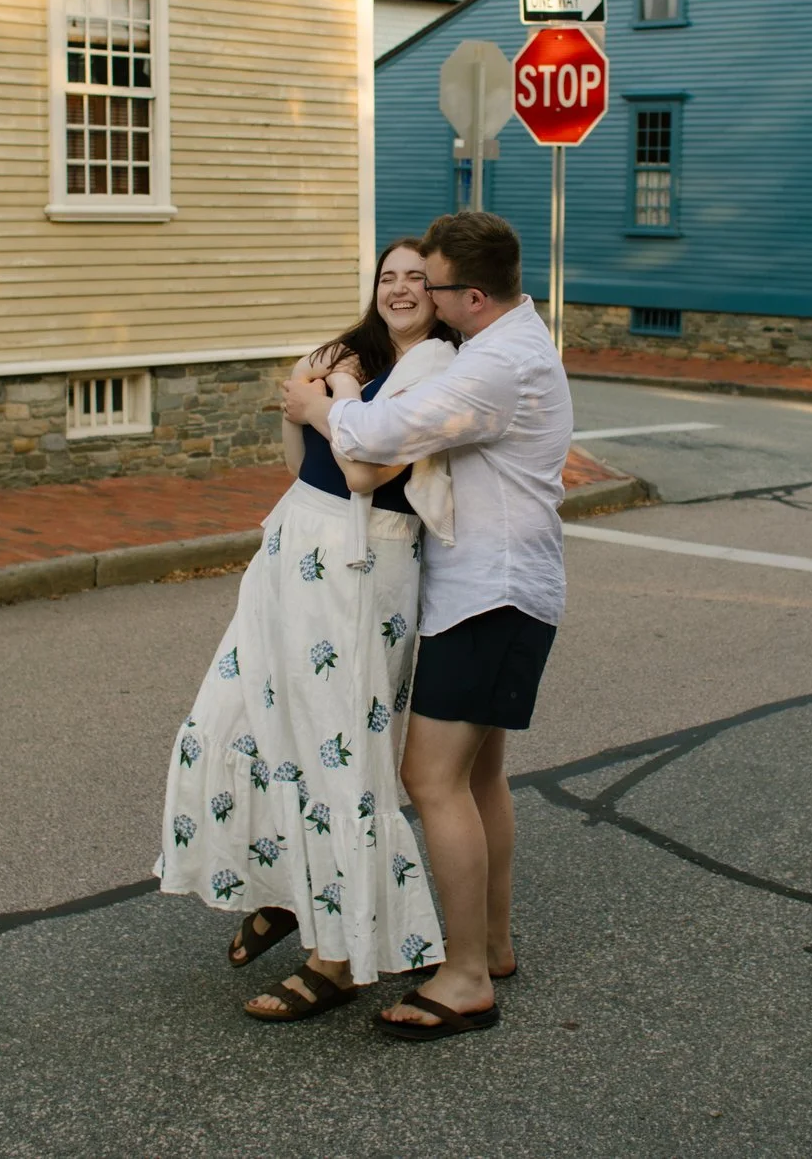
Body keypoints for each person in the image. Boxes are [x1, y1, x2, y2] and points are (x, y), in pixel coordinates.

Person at [279, 210, 571, 1041]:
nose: (422, 298)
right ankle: (494, 943)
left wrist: (322, 396)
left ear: (470, 294)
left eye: (433, 286)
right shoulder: (507, 340)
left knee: (431, 779)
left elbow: (369, 437)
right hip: (501, 592)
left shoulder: (493, 368)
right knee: (478, 780)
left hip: (489, 597)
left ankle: (467, 975)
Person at [156, 240, 463, 1023]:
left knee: (336, 751)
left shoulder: (430, 368)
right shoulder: (354, 357)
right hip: (294, 540)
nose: (399, 288)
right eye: (387, 276)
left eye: (415, 278)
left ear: (440, 293)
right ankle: (294, 887)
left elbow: (365, 472)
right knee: (232, 719)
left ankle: (340, 957)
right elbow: (302, 458)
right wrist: (309, 387)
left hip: (364, 562)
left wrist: (336, 394)